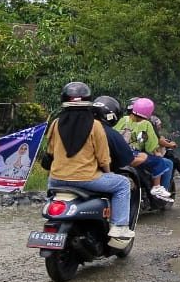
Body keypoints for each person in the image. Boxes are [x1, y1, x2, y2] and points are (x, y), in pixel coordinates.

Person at [46, 82, 134, 239]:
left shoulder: (55, 123)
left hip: (56, 180)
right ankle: (119, 226)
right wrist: (108, 173)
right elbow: (103, 159)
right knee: (123, 184)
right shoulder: (95, 126)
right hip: (86, 179)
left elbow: (50, 152)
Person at [114, 97, 175, 202]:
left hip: (116, 155)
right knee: (164, 162)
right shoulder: (146, 124)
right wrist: (156, 152)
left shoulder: (121, 120)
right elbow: (150, 146)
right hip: (135, 156)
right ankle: (159, 192)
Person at [151, 114, 180, 187]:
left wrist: (166, 141)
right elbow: (160, 141)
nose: (160, 126)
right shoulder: (152, 132)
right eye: (159, 124)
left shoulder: (152, 132)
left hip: (152, 154)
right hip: (155, 155)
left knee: (172, 158)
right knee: (174, 160)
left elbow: (160, 140)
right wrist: (170, 145)